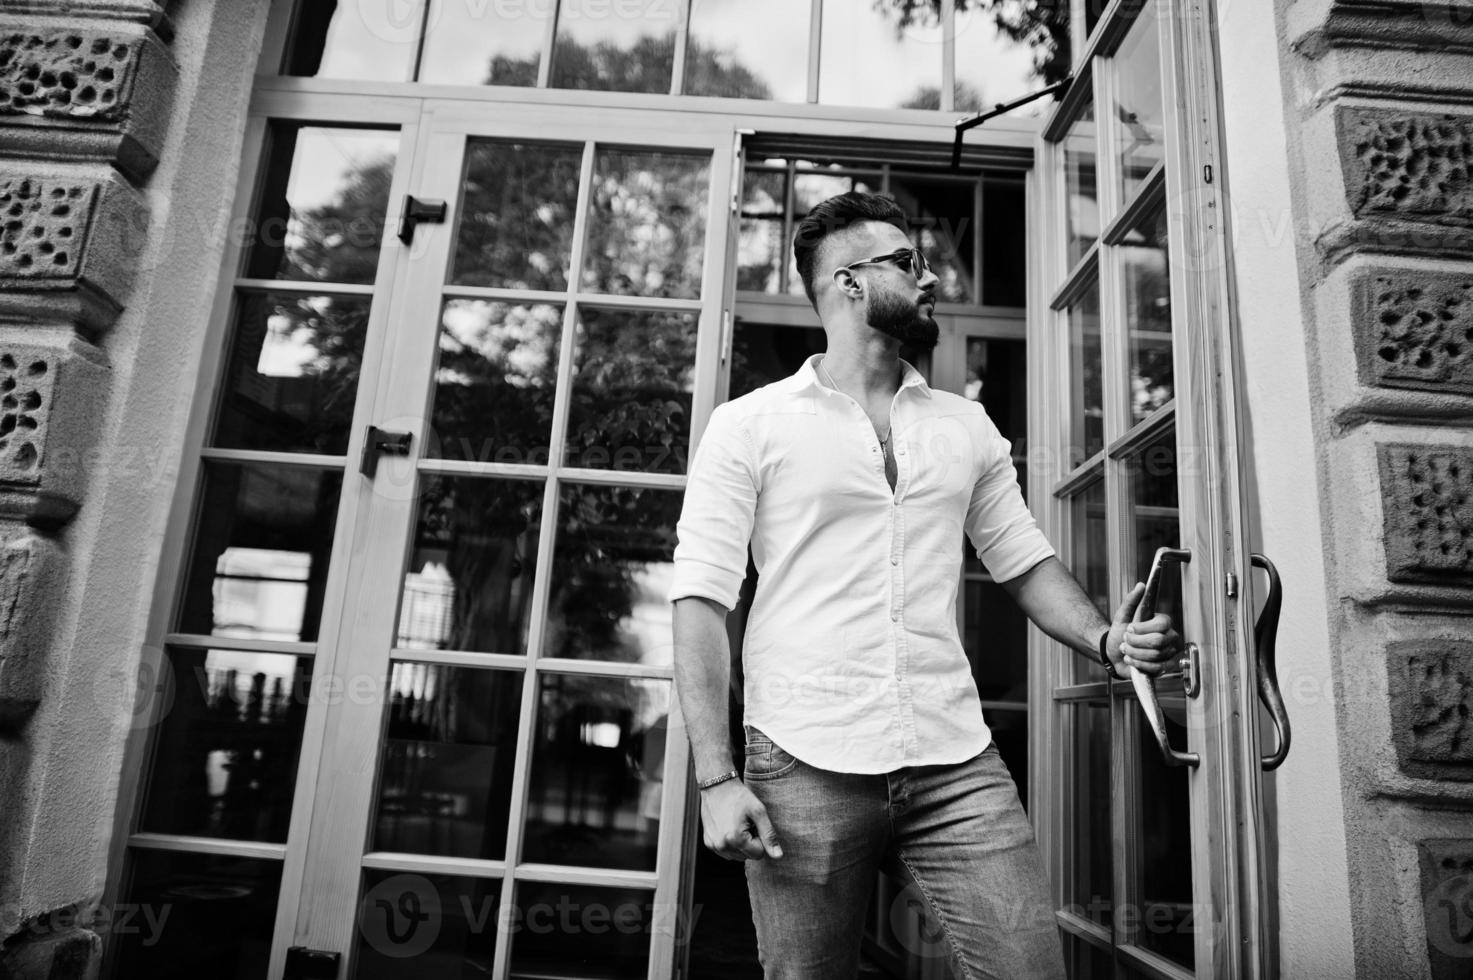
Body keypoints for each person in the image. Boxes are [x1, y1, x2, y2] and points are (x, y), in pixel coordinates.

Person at [669, 191, 1180, 980]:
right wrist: (715, 778)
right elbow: (701, 601)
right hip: (803, 760)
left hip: (953, 758)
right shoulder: (749, 425)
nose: (930, 276)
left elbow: (1022, 558)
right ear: (847, 282)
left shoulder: (964, 425)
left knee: (1029, 970)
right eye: (908, 262)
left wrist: (1105, 640)